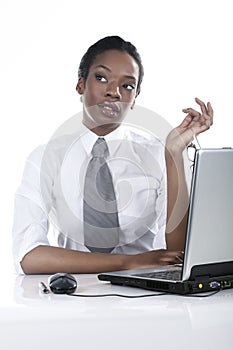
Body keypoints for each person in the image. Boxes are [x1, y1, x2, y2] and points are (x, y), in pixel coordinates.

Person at [12, 36, 213, 275]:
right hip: (75, 293)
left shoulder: (157, 154)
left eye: (127, 86)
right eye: (101, 78)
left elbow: (178, 255)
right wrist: (128, 262)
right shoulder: (46, 157)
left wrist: (174, 155)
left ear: (135, 98)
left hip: (147, 293)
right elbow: (29, 256)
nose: (114, 92)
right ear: (80, 84)